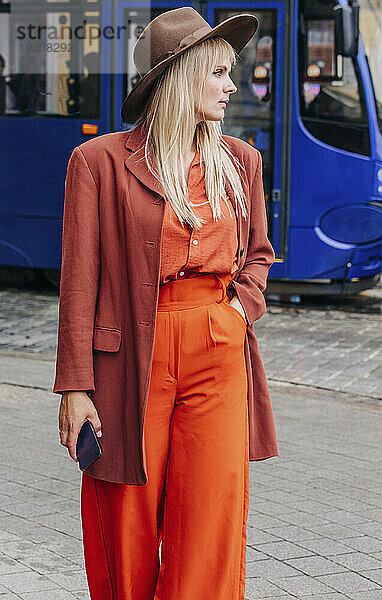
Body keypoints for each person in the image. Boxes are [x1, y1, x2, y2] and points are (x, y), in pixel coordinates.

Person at [53, 6, 279, 599]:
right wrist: (75, 390)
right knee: (123, 517)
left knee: (210, 522)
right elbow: (78, 283)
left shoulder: (242, 163)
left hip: (217, 345)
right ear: (178, 79)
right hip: (131, 352)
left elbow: (259, 254)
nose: (233, 86)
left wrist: (238, 312)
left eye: (233, 73)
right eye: (219, 74)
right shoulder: (99, 163)